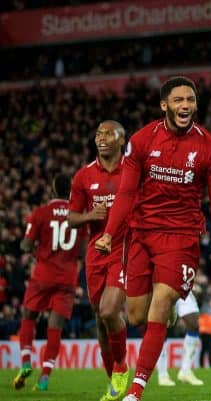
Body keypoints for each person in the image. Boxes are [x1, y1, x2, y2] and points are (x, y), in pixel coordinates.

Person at [95, 76, 211, 401]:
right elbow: (127, 191)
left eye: (190, 99)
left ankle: (136, 390)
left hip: (181, 236)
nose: (185, 105)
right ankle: (168, 313)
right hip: (141, 235)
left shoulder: (210, 149)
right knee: (135, 316)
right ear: (164, 105)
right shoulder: (142, 140)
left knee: (160, 303)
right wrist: (108, 235)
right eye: (178, 100)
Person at [68, 120, 129, 401]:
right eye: (98, 134)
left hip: (125, 248)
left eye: (108, 134)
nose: (101, 139)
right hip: (95, 252)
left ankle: (122, 366)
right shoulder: (83, 176)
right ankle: (113, 381)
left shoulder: (132, 170)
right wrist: (90, 216)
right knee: (101, 319)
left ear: (121, 140)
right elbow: (71, 217)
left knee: (108, 311)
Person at [13, 174, 82, 391]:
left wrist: (36, 249)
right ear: (69, 193)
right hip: (67, 279)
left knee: (29, 315)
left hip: (43, 276)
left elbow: (25, 245)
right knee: (55, 327)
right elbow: (82, 250)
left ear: (52, 191)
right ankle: (44, 378)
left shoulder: (40, 213)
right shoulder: (78, 216)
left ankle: (25, 362)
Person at [156, 292, 204, 386]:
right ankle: (162, 375)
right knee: (161, 326)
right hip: (162, 285)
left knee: (194, 324)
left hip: (181, 285)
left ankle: (185, 371)